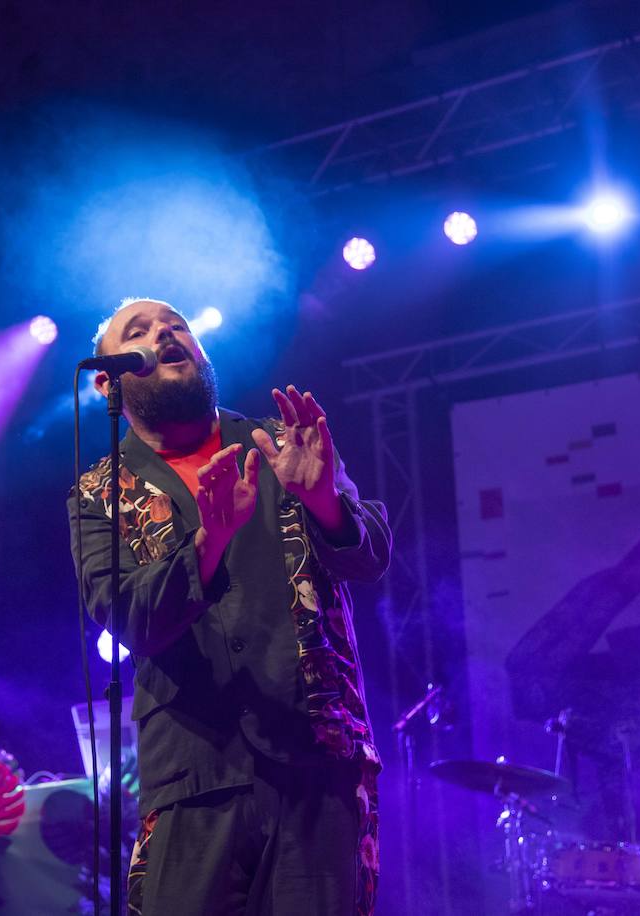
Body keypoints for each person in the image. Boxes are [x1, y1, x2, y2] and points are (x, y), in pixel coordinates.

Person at [67, 298, 390, 915]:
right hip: (193, 776)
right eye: (139, 332)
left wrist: (324, 500)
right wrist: (207, 545)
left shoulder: (279, 445)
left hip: (317, 760)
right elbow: (126, 614)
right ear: (107, 381)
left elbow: (371, 555)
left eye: (176, 325)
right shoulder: (97, 493)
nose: (164, 332)